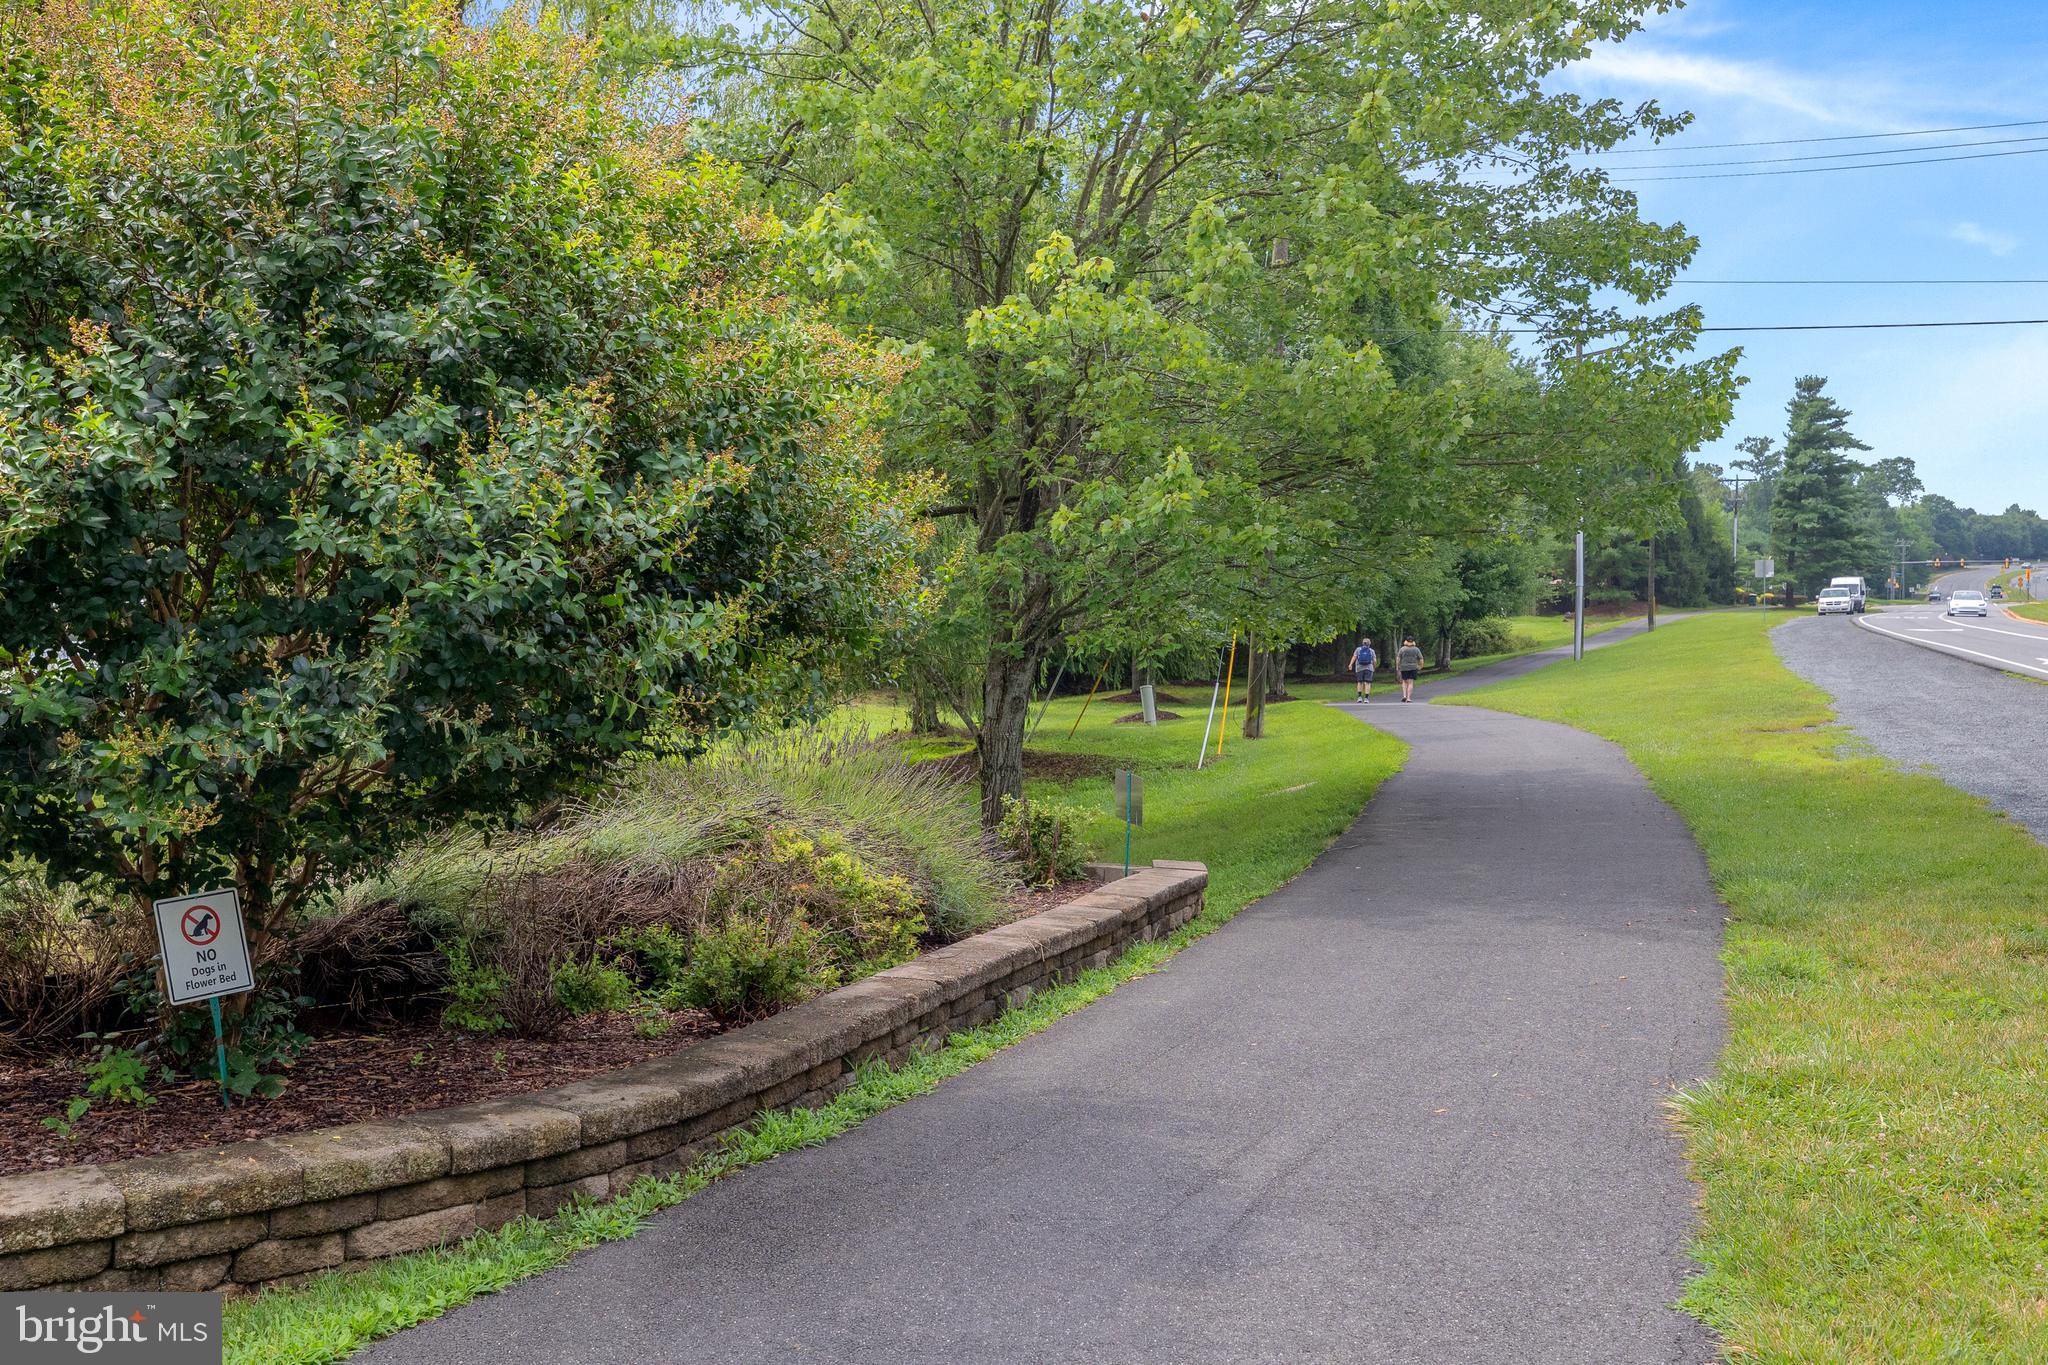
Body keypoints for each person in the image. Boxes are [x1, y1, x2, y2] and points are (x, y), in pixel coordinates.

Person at [1347, 637, 1376, 702]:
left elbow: (1354, 657)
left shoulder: (1358, 649)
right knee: (1367, 683)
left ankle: (1359, 697)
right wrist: (1374, 667)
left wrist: (1350, 664)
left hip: (1359, 668)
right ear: (1369, 643)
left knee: (1360, 682)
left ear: (1363, 643)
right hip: (1369, 668)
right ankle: (1366, 698)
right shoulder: (1371, 651)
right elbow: (1374, 660)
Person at [1396, 637, 1423, 702]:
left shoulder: (1402, 649)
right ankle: (1408, 698)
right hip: (1413, 667)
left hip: (1404, 667)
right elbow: (1421, 659)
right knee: (1410, 682)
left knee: (1404, 682)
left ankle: (1404, 696)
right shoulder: (1416, 649)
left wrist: (1397, 666)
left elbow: (1398, 658)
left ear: (1406, 641)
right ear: (1413, 641)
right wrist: (1421, 666)